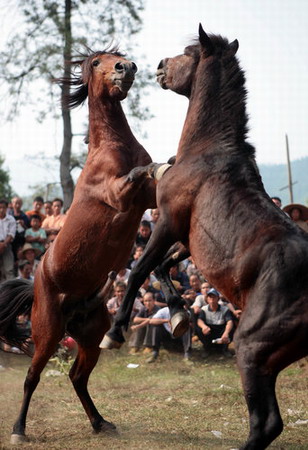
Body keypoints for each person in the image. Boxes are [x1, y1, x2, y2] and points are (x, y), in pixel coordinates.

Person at [196, 288, 234, 358]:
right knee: (198, 329)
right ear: (207, 299)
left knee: (231, 328)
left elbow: (229, 321)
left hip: (221, 331)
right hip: (209, 331)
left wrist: (226, 333)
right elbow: (199, 320)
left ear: (218, 298)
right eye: (210, 297)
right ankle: (207, 349)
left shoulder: (225, 309)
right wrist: (204, 326)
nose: (212, 299)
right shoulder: (204, 309)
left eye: (214, 297)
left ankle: (224, 349)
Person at [0, 199, 16, 282]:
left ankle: (10, 292)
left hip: (7, 246)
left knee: (9, 270)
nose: (1, 210)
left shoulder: (11, 219)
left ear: (7, 208)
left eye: (4, 207)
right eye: (0, 207)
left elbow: (11, 234)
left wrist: (3, 244)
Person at [10, 196, 30, 264]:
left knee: (20, 262)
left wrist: (23, 225)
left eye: (19, 203)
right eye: (16, 203)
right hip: (10, 242)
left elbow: (29, 230)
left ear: (21, 204)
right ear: (12, 204)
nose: (17, 205)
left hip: (21, 242)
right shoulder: (8, 215)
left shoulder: (25, 217)